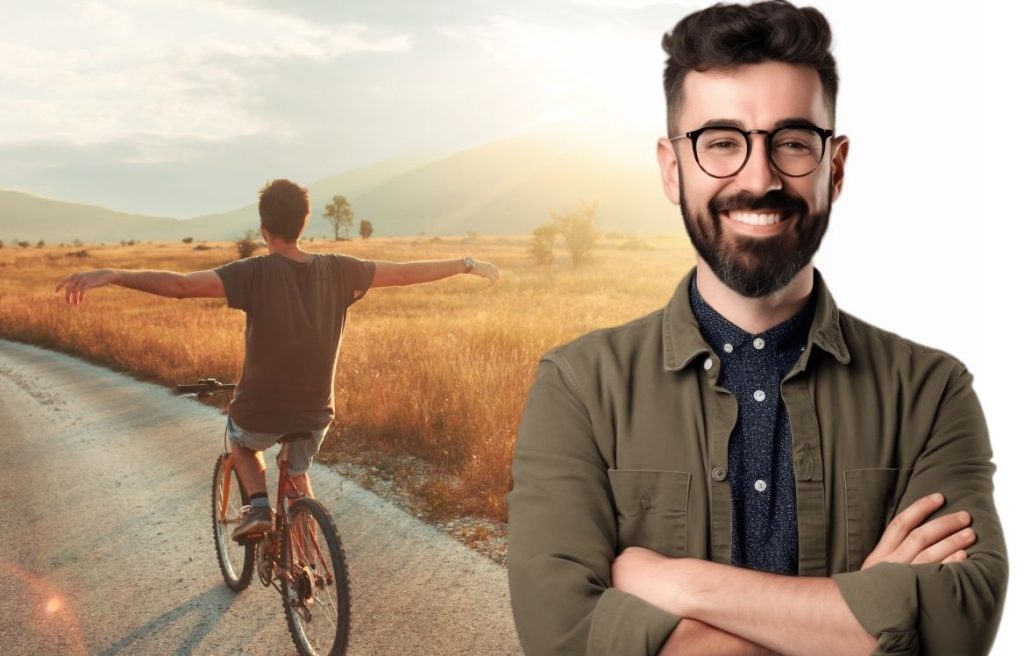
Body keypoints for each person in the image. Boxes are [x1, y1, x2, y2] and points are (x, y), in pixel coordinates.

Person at [507, 3, 1007, 655]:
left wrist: (677, 583)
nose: (759, 177)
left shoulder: (932, 393)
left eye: (794, 142)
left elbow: (956, 626)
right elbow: (563, 636)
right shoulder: (578, 388)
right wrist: (858, 615)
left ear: (836, 165)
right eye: (720, 143)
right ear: (670, 167)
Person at [56, 178, 499, 540]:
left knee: (241, 440)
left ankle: (259, 507)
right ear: (304, 223)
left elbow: (181, 285)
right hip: (316, 410)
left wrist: (112, 273)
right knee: (298, 470)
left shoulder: (252, 272)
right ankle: (307, 568)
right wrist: (465, 263)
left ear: (265, 228)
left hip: (262, 406)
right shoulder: (341, 268)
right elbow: (404, 274)